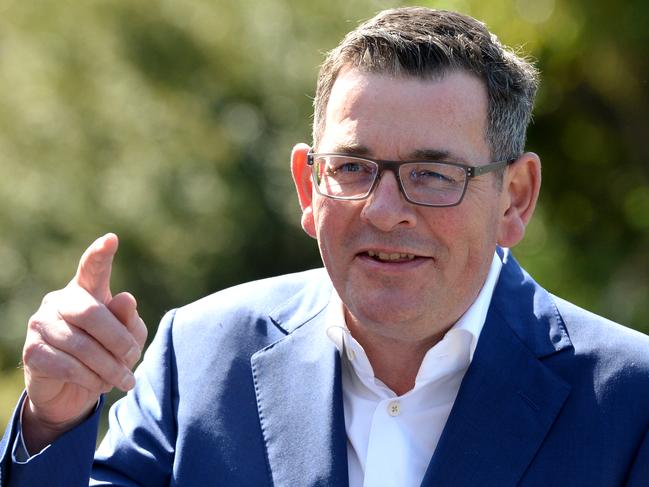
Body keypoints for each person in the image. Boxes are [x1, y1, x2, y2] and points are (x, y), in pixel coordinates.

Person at [1, 6, 648, 487]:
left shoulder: (629, 401)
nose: (385, 210)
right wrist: (53, 421)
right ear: (308, 188)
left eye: (432, 173)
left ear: (514, 197)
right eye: (353, 168)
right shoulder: (199, 357)